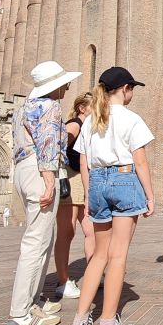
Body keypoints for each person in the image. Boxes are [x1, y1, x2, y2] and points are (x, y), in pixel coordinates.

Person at [66, 67, 155, 325]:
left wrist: (90, 191)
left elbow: (83, 161)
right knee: (118, 256)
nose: (132, 94)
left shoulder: (92, 119)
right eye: (132, 89)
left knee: (100, 255)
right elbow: (140, 161)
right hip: (124, 178)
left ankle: (78, 321)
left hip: (97, 182)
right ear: (126, 89)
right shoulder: (131, 119)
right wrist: (150, 196)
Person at [5, 61, 81, 325]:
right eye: (65, 82)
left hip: (24, 171)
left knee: (42, 239)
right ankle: (20, 313)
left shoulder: (23, 107)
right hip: (41, 170)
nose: (69, 86)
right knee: (36, 242)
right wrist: (49, 181)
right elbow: (48, 145)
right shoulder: (49, 107)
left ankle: (33, 302)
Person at [55, 92, 96, 300]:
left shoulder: (88, 128)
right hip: (71, 179)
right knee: (67, 232)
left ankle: (94, 273)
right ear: (82, 108)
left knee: (91, 230)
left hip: (83, 179)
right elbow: (58, 149)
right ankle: (63, 281)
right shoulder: (74, 125)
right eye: (93, 107)